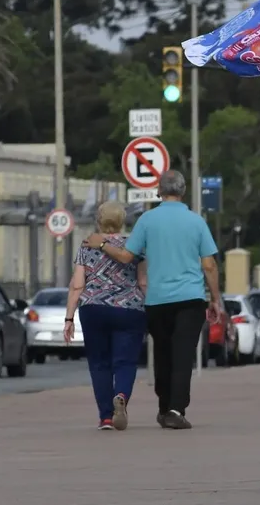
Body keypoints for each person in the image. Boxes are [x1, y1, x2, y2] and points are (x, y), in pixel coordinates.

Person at [85, 170, 223, 430]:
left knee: (162, 353)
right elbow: (209, 264)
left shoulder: (147, 220)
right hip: (191, 298)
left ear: (160, 191)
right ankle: (175, 409)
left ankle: (164, 406)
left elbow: (126, 257)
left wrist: (102, 244)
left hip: (158, 300)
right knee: (183, 355)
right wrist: (216, 299)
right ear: (183, 192)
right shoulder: (196, 221)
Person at [65, 201, 147, 431]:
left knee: (99, 364)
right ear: (121, 221)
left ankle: (106, 418)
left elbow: (77, 286)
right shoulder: (134, 246)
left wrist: (69, 318)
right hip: (129, 310)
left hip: (93, 309)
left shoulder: (87, 245)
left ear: (99, 220)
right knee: (126, 361)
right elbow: (143, 281)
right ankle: (121, 395)